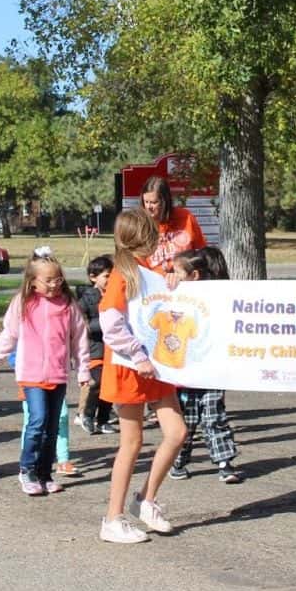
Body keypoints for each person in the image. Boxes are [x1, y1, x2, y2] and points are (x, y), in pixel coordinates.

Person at [96, 209, 187, 543]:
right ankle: (112, 519)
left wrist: (175, 283)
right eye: (154, 235)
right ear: (144, 237)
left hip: (155, 364)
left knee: (176, 432)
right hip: (130, 366)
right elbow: (110, 323)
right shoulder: (123, 274)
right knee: (132, 443)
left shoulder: (148, 271)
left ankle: (145, 499)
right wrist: (137, 354)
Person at [0, 250, 89, 496]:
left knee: (52, 427)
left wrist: (83, 369)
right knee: (38, 420)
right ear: (32, 281)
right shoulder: (23, 302)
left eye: (57, 279)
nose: (54, 285)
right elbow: (9, 334)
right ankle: (26, 469)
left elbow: (79, 339)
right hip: (31, 374)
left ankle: (44, 473)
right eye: (48, 280)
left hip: (57, 374)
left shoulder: (67, 304)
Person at [167, 247, 243, 484]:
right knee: (187, 420)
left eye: (177, 272)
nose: (173, 276)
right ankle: (178, 462)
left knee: (214, 415)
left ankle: (224, 463)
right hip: (186, 373)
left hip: (212, 371)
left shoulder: (218, 298)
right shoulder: (175, 295)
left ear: (194, 276)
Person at [74, 255, 116, 435]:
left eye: (112, 276)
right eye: (106, 276)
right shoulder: (87, 298)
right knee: (97, 382)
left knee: (110, 385)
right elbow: (80, 323)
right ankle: (87, 415)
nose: (110, 280)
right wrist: (105, 323)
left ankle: (103, 420)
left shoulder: (115, 295)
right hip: (95, 349)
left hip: (113, 350)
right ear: (93, 277)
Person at [140, 176, 206, 273]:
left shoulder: (186, 217)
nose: (149, 207)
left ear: (165, 201)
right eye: (146, 202)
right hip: (155, 279)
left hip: (185, 278)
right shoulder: (140, 225)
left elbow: (201, 252)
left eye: (154, 202)